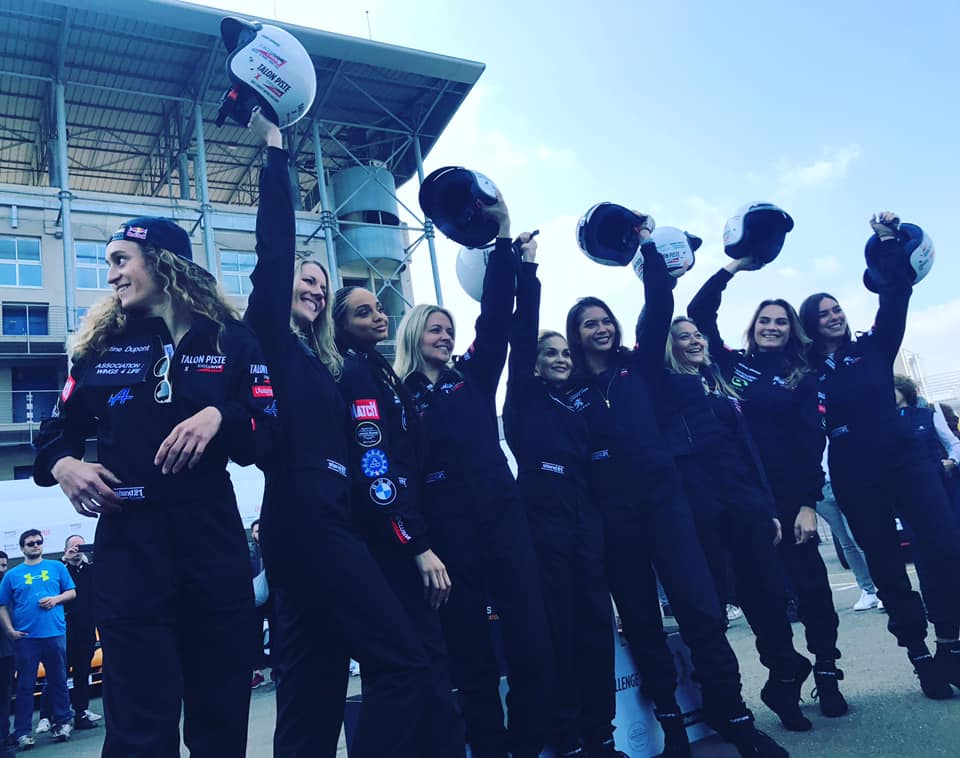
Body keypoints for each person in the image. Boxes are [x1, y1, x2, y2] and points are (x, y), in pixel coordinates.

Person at [32, 211, 277, 756]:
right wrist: (65, 465)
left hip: (211, 539)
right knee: (138, 725)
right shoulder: (97, 346)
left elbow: (268, 433)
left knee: (219, 714)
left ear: (164, 264)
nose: (111, 275)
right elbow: (55, 433)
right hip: (129, 544)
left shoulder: (232, 340)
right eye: (109, 264)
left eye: (121, 261)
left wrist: (222, 415)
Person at [243, 111, 435, 758]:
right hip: (305, 519)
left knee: (313, 688)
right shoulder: (272, 340)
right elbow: (273, 254)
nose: (316, 291)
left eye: (323, 286)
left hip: (323, 522)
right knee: (402, 662)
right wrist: (276, 152)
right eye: (307, 280)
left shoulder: (329, 365)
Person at [564, 228, 787, 757]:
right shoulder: (568, 390)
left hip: (667, 507)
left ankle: (735, 718)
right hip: (616, 521)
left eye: (605, 320)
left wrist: (646, 244)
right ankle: (674, 731)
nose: (600, 328)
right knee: (642, 624)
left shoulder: (638, 367)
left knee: (701, 613)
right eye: (589, 323)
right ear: (576, 335)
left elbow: (659, 304)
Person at [395, 196, 554, 758]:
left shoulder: (473, 376)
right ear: (415, 334)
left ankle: (529, 743)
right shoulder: (397, 395)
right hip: (449, 536)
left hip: (503, 521)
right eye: (434, 329)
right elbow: (399, 475)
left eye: (449, 329)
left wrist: (507, 243)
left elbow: (496, 317)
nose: (444, 335)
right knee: (470, 655)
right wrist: (420, 543)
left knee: (531, 639)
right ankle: (488, 747)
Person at [799, 211, 960, 699]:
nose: (834, 316)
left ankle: (950, 643)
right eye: (823, 313)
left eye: (836, 309)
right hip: (853, 470)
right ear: (810, 324)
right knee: (886, 567)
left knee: (946, 548)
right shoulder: (804, 371)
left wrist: (888, 241)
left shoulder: (874, 347)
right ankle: (919, 656)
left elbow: (895, 295)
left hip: (905, 459)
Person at [687, 261, 848, 718]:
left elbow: (811, 441)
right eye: (764, 320)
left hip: (790, 499)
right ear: (753, 326)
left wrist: (807, 503)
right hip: (743, 502)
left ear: (791, 330)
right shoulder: (730, 364)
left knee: (813, 591)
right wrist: (734, 266)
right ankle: (784, 680)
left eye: (780, 321)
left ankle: (828, 673)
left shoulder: (803, 376)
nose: (772, 327)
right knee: (763, 599)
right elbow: (699, 311)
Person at [333, 284, 465, 756]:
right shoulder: (355, 372)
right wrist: (415, 545)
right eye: (363, 312)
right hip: (389, 543)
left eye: (379, 309)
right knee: (408, 668)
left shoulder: (378, 368)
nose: (378, 316)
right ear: (340, 325)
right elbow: (375, 468)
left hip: (404, 531)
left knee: (429, 663)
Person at [502, 235, 620, 757]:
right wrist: (528, 273)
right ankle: (567, 738)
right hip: (541, 516)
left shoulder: (578, 404)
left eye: (566, 353)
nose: (560, 358)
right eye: (550, 353)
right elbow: (521, 333)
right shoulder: (524, 399)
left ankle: (602, 735)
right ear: (533, 362)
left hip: (585, 516)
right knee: (560, 631)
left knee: (595, 627)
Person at [0, 530, 76, 749]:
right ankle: (23, 732)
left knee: (59, 681)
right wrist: (9, 630)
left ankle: (63, 723)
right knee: (25, 687)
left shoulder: (57, 567)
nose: (35, 545)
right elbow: (2, 605)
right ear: (22, 548)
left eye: (38, 542)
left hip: (55, 633)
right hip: (26, 639)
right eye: (30, 543)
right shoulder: (12, 575)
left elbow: (71, 592)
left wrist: (56, 599)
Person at [60, 535, 99, 730]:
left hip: (86, 629)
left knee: (82, 673)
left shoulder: (91, 570)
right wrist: (66, 559)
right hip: (64, 630)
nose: (77, 550)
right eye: (73, 546)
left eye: (80, 546)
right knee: (60, 673)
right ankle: (55, 716)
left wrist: (93, 552)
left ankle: (81, 712)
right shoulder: (60, 570)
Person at [0, 552, 13, 758]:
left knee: (4, 696)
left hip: (7, 651)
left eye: (3, 565)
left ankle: (3, 738)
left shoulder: (9, 585)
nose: (0, 569)